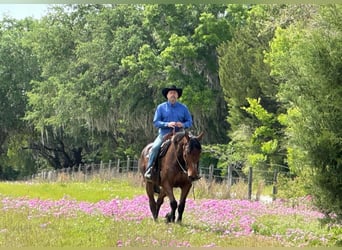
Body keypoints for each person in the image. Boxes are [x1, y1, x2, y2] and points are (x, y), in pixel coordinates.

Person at [144, 85, 193, 180]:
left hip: (180, 135)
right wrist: (167, 124)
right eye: (171, 93)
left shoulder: (183, 108)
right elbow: (156, 122)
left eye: (175, 93)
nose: (173, 95)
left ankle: (193, 171)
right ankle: (149, 169)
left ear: (178, 96)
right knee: (155, 148)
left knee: (192, 148)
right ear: (167, 95)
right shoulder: (161, 107)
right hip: (164, 134)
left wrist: (182, 124)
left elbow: (189, 122)